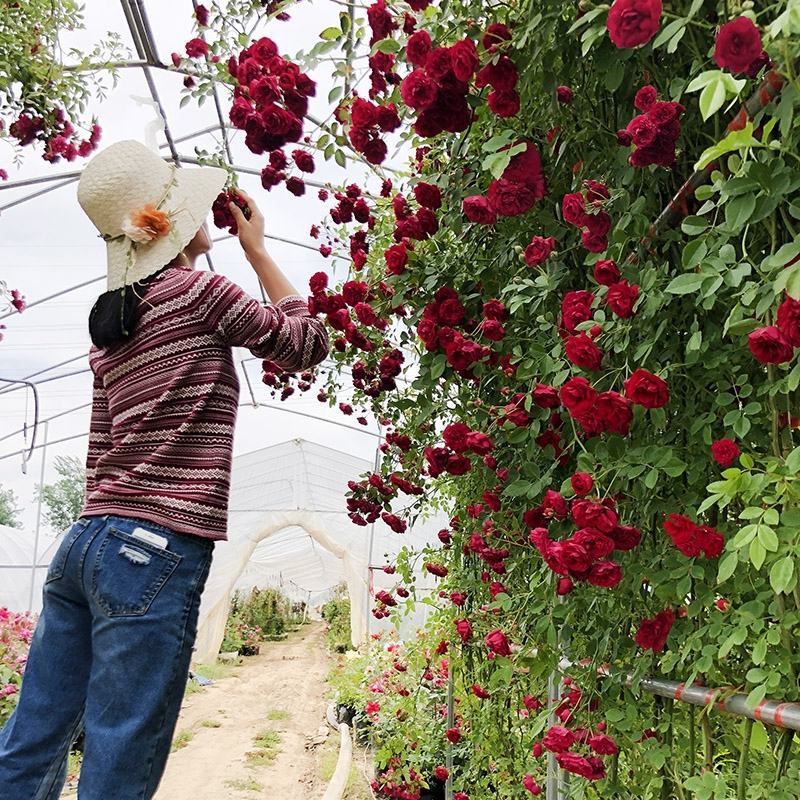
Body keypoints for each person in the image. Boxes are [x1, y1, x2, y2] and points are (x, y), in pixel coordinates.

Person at [0, 140, 329, 799]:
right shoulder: (198, 292)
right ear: (169, 225)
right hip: (153, 549)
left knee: (31, 743)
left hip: (86, 543)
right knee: (119, 760)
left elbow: (99, 455)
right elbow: (306, 341)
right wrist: (259, 250)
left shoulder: (113, 328)